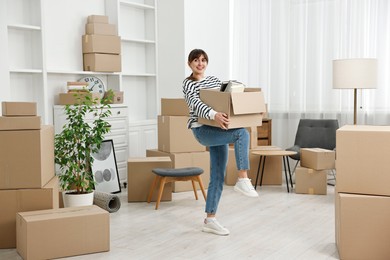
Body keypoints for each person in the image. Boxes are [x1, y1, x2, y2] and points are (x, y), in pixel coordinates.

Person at [182, 49, 258, 236]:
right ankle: (243, 178)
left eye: (203, 60)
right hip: (203, 129)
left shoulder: (214, 81)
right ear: (189, 64)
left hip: (219, 129)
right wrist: (214, 114)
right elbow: (195, 104)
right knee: (241, 134)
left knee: (217, 175)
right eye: (196, 60)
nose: (200, 63)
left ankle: (210, 219)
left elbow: (226, 98)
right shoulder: (188, 83)